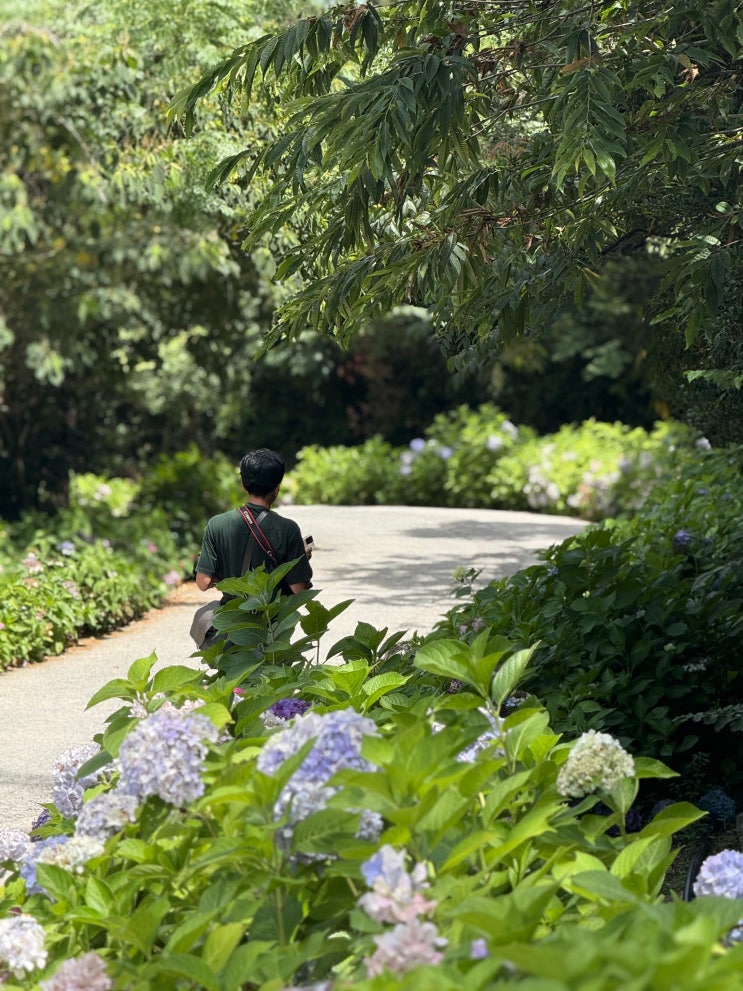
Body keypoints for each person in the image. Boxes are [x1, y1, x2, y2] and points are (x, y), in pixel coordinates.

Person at [194, 448, 312, 600]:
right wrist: (299, 561)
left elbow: (203, 582)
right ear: (277, 487)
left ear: (243, 485)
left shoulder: (216, 525)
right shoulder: (288, 529)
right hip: (273, 615)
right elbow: (300, 592)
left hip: (233, 614)